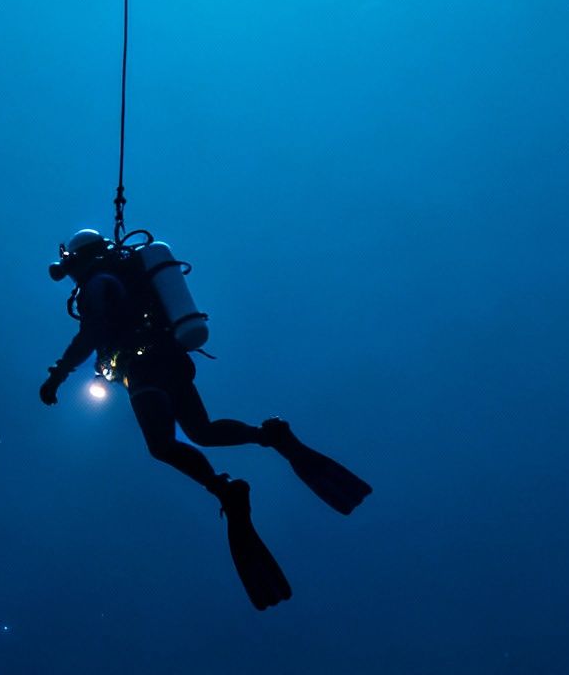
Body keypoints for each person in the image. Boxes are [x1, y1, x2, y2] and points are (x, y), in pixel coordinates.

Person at [38, 229, 370, 610]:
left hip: (143, 367)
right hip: (171, 359)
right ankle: (269, 435)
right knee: (202, 431)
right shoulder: (124, 275)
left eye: (72, 265)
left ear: (81, 260)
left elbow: (92, 332)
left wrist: (57, 376)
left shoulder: (98, 281)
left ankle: (224, 488)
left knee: (162, 446)